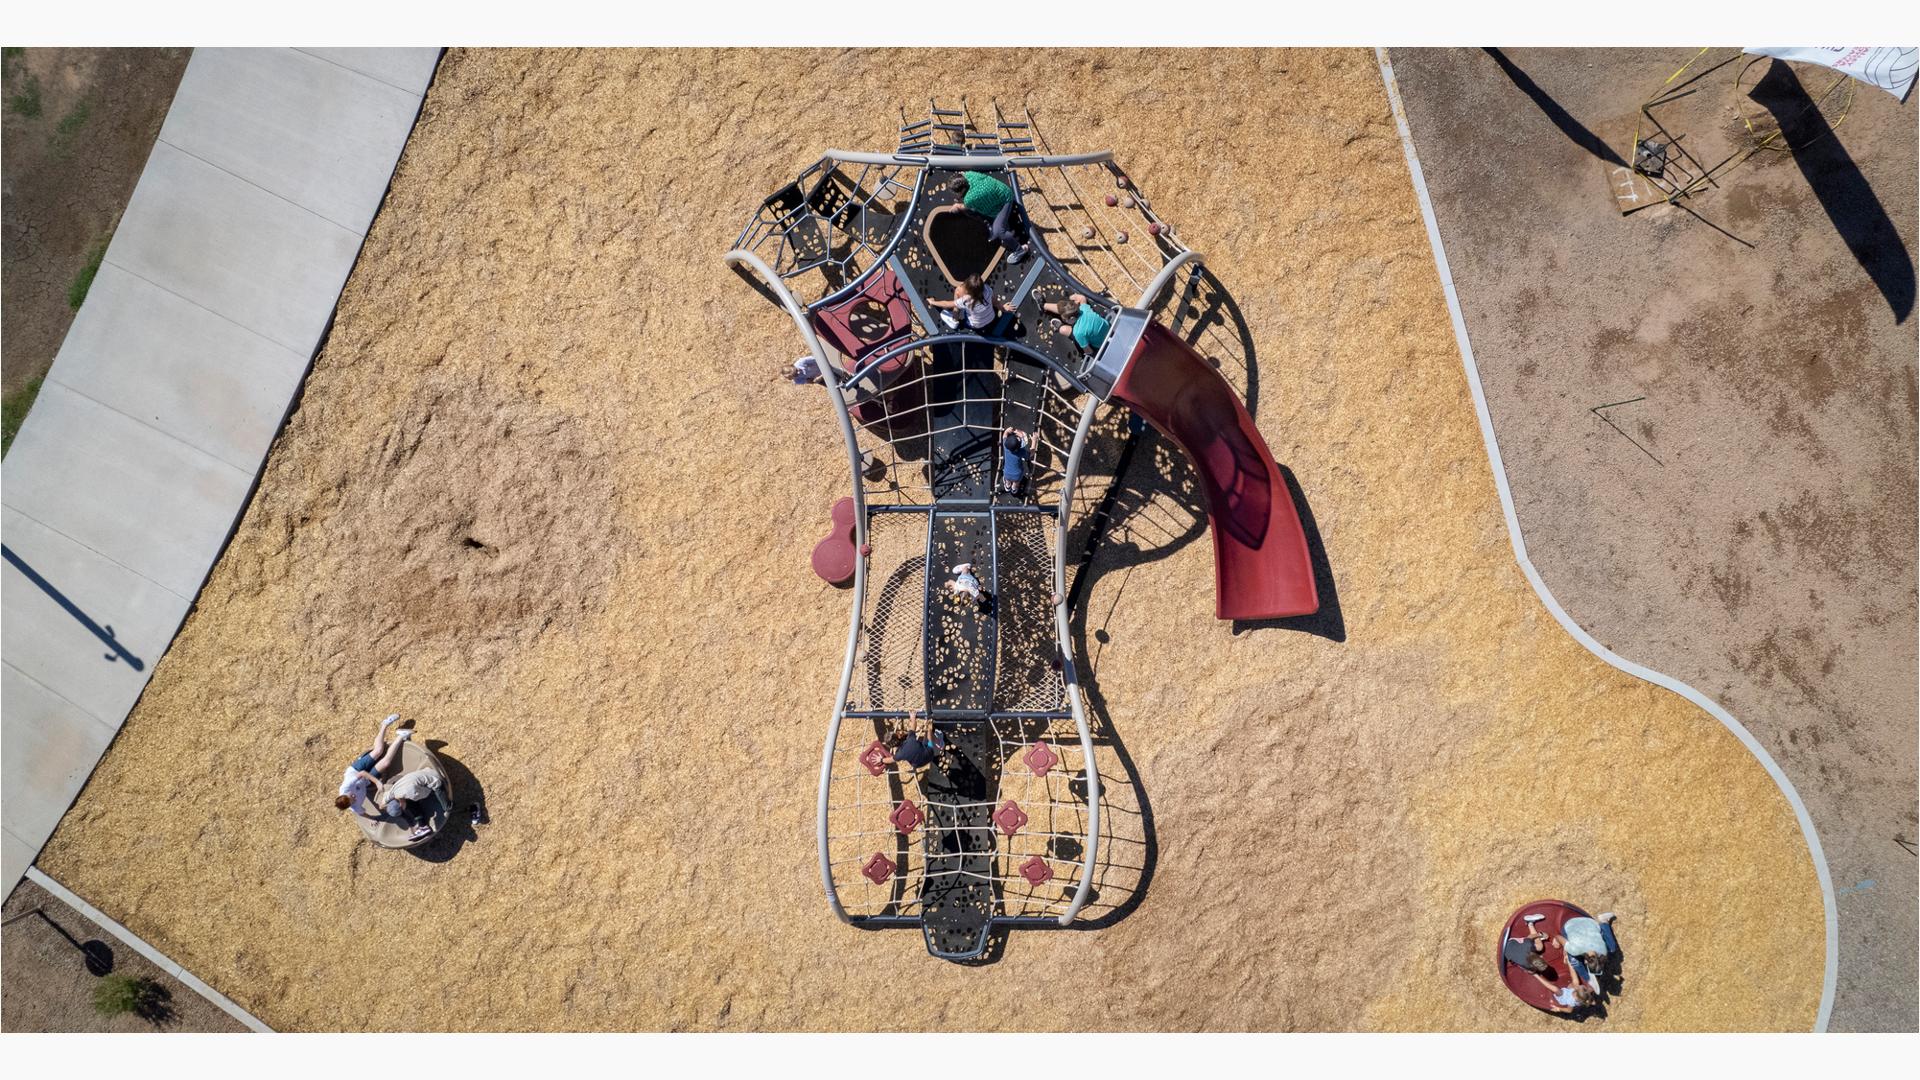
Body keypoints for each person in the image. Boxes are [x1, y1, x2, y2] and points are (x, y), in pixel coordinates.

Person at [335, 713, 410, 819]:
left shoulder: (346, 786)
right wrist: (372, 819)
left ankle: (384, 724)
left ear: (344, 794)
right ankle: (401, 736)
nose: (353, 796)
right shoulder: (355, 806)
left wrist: (377, 782)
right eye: (353, 799)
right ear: (350, 804)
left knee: (378, 750)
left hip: (357, 770)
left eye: (350, 795)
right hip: (365, 781)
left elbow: (362, 773)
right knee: (386, 763)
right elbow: (361, 813)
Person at [948, 172, 1032, 264]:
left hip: (1006, 200)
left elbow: (969, 207)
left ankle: (1019, 249)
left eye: (956, 193)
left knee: (998, 231)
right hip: (1002, 190)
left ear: (961, 190)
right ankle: (1002, 224)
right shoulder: (969, 174)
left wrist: (958, 206)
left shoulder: (969, 199)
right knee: (991, 217)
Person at [379, 766, 448, 840]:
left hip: (437, 778)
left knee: (412, 805)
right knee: (410, 802)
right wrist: (385, 806)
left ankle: (424, 826)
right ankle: (423, 827)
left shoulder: (412, 793)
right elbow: (382, 804)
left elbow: (427, 793)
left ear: (401, 806)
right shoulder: (393, 792)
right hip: (426, 771)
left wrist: (408, 805)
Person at [930, 275, 1015, 334]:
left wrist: (932, 302)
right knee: (984, 304)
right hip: (990, 319)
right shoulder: (988, 290)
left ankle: (955, 320)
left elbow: (946, 304)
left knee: (958, 291)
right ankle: (961, 312)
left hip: (974, 325)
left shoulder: (966, 300)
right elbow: (995, 302)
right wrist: (1004, 308)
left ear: (968, 291)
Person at [1561, 912, 1619, 993]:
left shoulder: (1603, 952)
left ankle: (1603, 922)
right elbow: (1558, 937)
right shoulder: (1575, 950)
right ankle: (1589, 979)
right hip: (1570, 924)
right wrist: (1565, 948)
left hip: (1589, 922)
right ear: (1585, 961)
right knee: (1575, 962)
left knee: (1612, 948)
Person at [1041, 293, 1111, 354]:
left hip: (1103, 345)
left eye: (1065, 319)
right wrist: (1070, 299)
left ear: (1072, 319)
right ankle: (1043, 305)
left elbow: (1088, 351)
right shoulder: (1085, 310)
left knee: (1063, 330)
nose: (1064, 320)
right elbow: (1082, 298)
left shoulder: (1078, 333)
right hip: (1110, 331)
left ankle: (1059, 325)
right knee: (1065, 310)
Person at [1530, 970, 1597, 1014]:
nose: (1582, 985)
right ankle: (1569, 960)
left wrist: (1559, 1009)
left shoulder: (1572, 1002)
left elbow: (1569, 1010)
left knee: (1556, 989)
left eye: (1581, 986)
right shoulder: (1585, 995)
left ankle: (1536, 975)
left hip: (1563, 997)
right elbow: (1591, 999)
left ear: (1576, 991)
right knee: (1575, 982)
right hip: (1569, 991)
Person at [1000, 427, 1031, 496]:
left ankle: (1007, 486)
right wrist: (1034, 441)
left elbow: (1004, 435)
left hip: (1006, 473)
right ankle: (1014, 488)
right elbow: (1031, 454)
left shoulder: (1005, 446)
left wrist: (1007, 431)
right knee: (1016, 482)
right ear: (1018, 448)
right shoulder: (1020, 452)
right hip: (1017, 475)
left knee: (1007, 480)